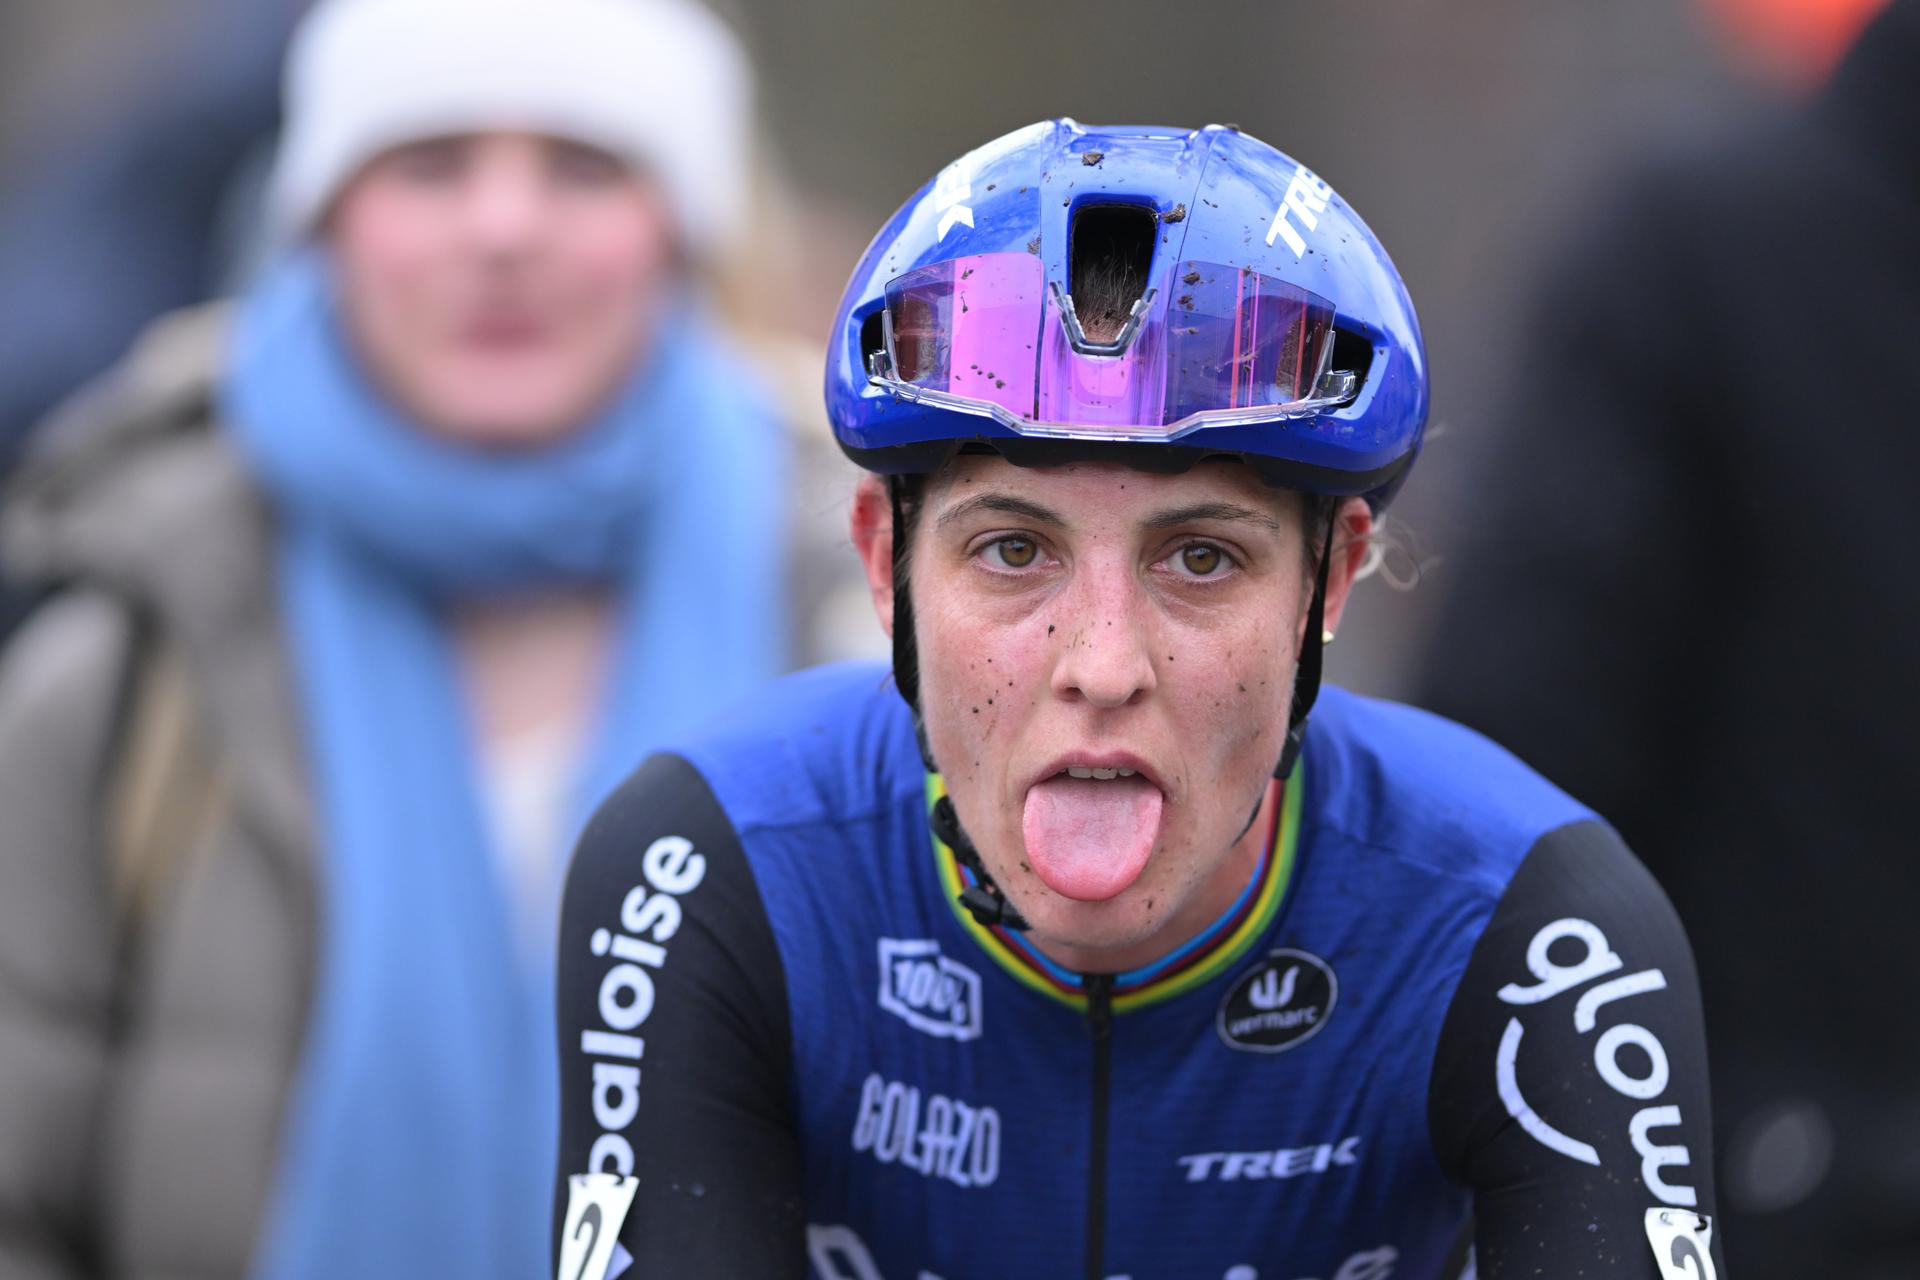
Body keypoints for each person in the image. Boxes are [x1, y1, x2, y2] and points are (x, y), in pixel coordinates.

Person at [554, 119, 1725, 1280]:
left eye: (1201, 558)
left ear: (1331, 577)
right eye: (1013, 550)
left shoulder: (1531, 924)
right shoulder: (719, 865)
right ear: (881, 562)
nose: (1105, 664)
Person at [0, 0, 784, 1276]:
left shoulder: (871, 631)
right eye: (429, 166)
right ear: (323, 221)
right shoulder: (121, 666)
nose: (503, 229)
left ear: (680, 230)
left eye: (583, 167)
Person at [1417, 2, 1919, 1275]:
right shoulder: (1703, 257)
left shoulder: (1696, 243)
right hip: (1771, 1191)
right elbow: (1514, 778)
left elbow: (1504, 761)